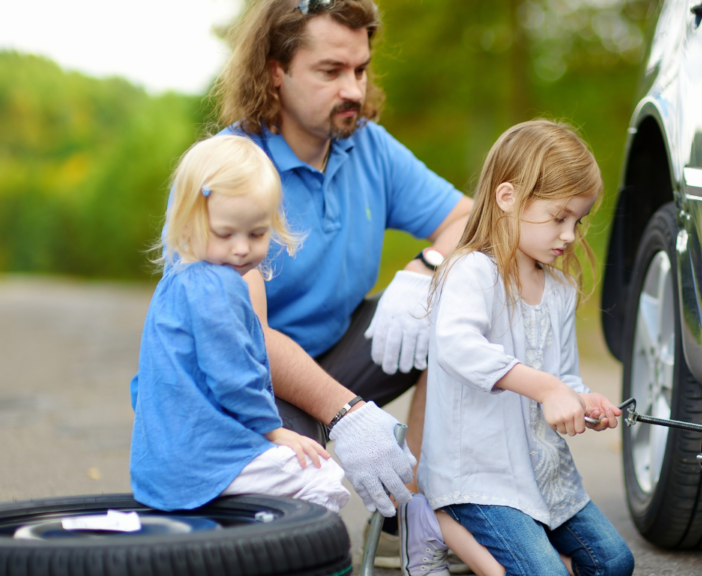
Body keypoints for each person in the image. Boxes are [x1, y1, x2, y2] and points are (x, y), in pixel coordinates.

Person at [212, 0, 474, 566]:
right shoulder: (226, 171)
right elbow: (243, 338)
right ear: (275, 72)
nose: (353, 90)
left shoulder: (368, 147)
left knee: (455, 299)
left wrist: (423, 271)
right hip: (248, 385)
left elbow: (473, 221)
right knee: (293, 544)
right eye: (330, 72)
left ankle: (409, 523)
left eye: (359, 70)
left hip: (339, 350)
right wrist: (347, 414)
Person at [407, 120, 635, 576]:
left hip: (543, 476)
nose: (569, 235)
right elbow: (457, 346)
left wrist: (580, 399)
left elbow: (564, 375)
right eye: (558, 217)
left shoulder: (559, 290)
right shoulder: (472, 272)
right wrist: (545, 388)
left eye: (578, 220)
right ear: (508, 197)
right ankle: (434, 518)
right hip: (478, 477)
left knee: (613, 563)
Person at [130, 135, 350, 513]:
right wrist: (274, 431)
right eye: (225, 234)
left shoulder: (175, 284)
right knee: (323, 477)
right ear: (187, 223)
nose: (242, 248)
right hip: (207, 463)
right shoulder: (220, 286)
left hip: (157, 467)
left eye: (257, 233)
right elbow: (233, 375)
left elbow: (143, 385)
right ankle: (274, 558)